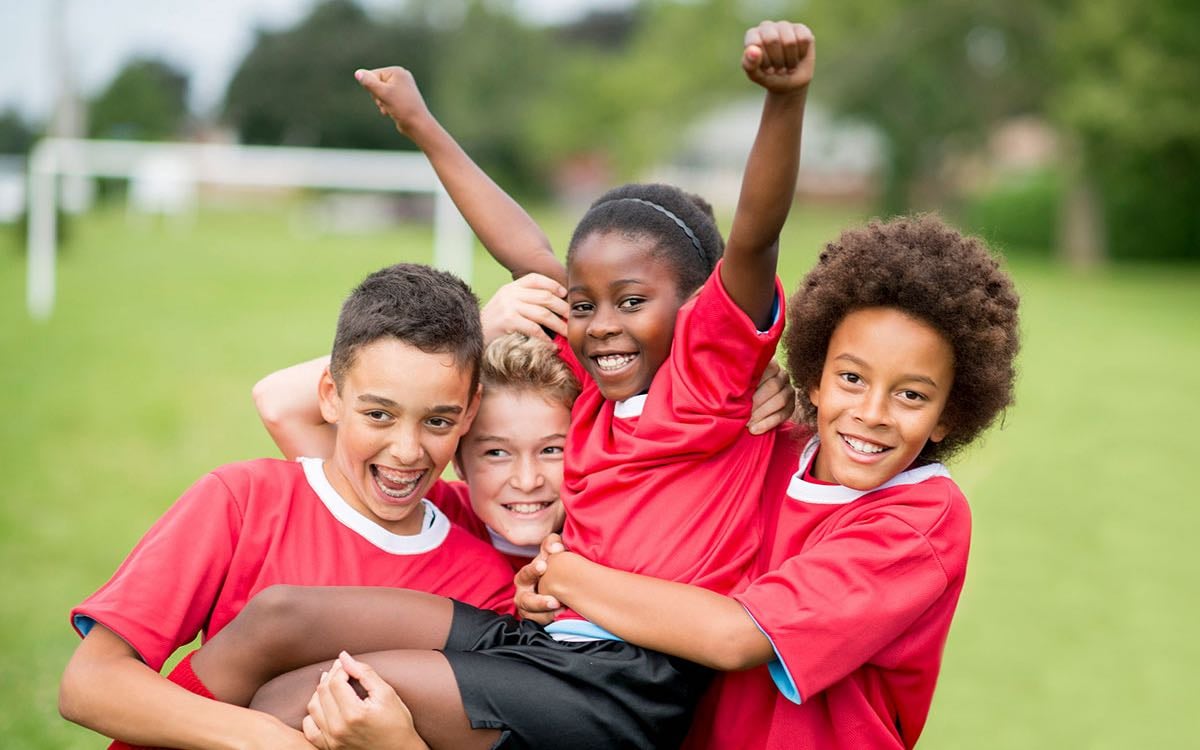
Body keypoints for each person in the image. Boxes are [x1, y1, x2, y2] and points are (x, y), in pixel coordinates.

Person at [153, 19, 815, 750]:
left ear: (697, 311)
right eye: (583, 304)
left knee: (328, 692)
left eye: (631, 303)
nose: (599, 325)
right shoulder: (593, 386)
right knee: (287, 642)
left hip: (627, 685)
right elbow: (523, 250)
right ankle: (143, 727)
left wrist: (785, 100)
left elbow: (755, 235)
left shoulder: (706, 384)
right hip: (546, 643)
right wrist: (421, 123)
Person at [515, 214, 1022, 749]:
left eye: (912, 395)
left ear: (950, 414)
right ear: (814, 377)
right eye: (851, 378)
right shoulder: (762, 443)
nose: (873, 413)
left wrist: (566, 578)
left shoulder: (920, 520)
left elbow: (737, 637)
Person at [58, 264, 518, 749]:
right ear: (330, 397)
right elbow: (89, 683)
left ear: (469, 411)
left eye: (438, 422)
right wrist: (267, 738)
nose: (407, 450)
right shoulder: (245, 499)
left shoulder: (486, 585)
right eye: (378, 415)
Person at [253, 296, 795, 572]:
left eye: (554, 450)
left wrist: (748, 393)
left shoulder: (622, 524)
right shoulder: (425, 513)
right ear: (456, 452)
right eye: (495, 452)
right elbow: (278, 403)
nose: (528, 479)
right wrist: (474, 330)